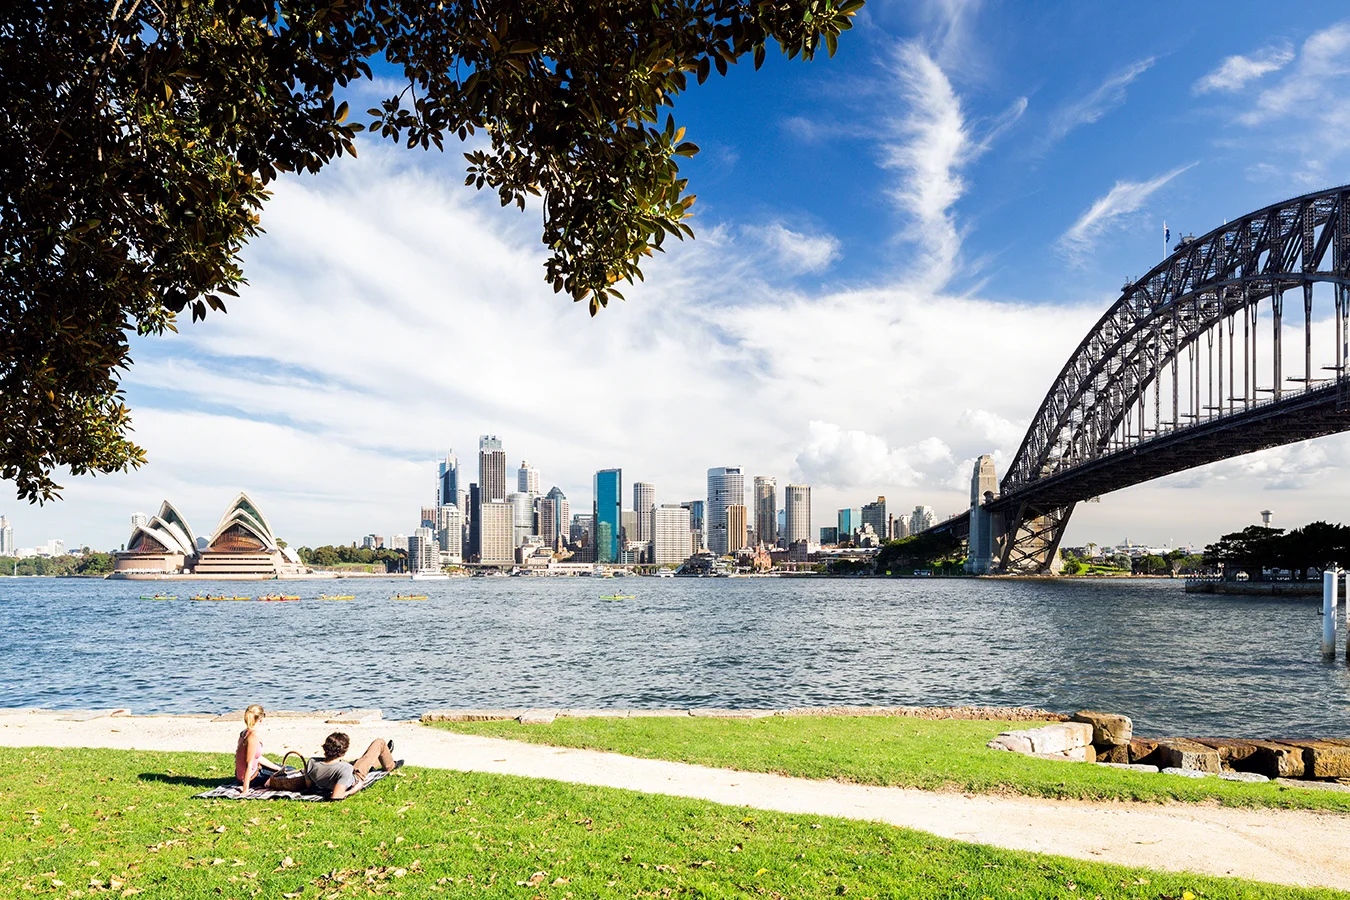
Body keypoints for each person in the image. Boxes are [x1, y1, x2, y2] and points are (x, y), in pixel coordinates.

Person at [268, 731, 400, 800]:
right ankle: (390, 764)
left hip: (338, 770)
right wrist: (355, 788)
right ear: (344, 752)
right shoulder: (345, 769)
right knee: (379, 743)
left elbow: (309, 786)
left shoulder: (312, 762)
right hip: (356, 775)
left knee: (364, 759)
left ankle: (383, 755)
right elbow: (336, 796)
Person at [234, 704, 282, 793]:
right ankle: (267, 783)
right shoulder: (253, 736)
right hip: (252, 778)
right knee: (289, 771)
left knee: (282, 768)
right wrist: (245, 790)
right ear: (261, 719)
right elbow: (249, 763)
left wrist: (277, 768)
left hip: (242, 775)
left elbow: (257, 757)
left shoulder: (244, 733)